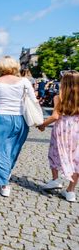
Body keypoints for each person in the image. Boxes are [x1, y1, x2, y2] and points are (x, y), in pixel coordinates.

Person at [0, 56, 37, 197]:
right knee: (12, 150)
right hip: (20, 119)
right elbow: (34, 100)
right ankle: (5, 177)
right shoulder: (24, 81)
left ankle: (2, 182)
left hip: (0, 119)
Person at [38, 71, 79, 202]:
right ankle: (70, 191)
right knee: (76, 159)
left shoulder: (59, 97)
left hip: (62, 129)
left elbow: (55, 116)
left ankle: (55, 180)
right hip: (77, 129)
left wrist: (43, 125)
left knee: (55, 153)